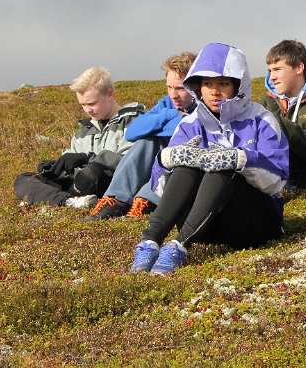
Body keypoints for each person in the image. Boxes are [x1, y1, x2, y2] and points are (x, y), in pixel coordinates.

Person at [129, 43, 288, 276]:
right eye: (207, 84)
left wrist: (240, 159)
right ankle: (150, 243)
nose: (214, 91)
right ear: (198, 87)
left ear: (238, 85)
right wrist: (166, 160)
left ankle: (179, 245)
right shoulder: (189, 123)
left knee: (225, 167)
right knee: (184, 166)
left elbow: (278, 180)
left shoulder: (261, 119)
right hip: (205, 229)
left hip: (251, 225)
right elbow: (161, 190)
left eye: (223, 83)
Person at [86, 52, 197, 221]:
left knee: (164, 142)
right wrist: (172, 114)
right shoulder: (167, 104)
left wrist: (157, 125)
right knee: (147, 140)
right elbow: (132, 132)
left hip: (186, 163)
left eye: (180, 88)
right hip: (160, 160)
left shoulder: (206, 105)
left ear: (196, 85)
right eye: (169, 87)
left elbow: (185, 129)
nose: (173, 94)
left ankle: (145, 200)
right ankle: (116, 199)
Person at [14, 67, 144, 208]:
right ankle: (71, 202)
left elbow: (132, 160)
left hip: (110, 181)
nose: (87, 110)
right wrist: (55, 166)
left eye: (92, 103)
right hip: (80, 183)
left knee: (92, 173)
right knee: (23, 179)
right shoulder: (85, 129)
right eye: (83, 104)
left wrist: (87, 158)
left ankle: (48, 199)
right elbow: (72, 161)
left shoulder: (134, 121)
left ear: (110, 94)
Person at [258, 40, 306, 189]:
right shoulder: (265, 103)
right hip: (265, 180)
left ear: (299, 68)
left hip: (304, 184)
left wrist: (276, 122)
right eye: (270, 70)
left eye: (277, 69)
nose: (271, 77)